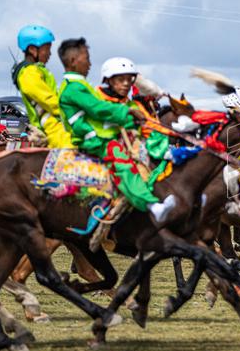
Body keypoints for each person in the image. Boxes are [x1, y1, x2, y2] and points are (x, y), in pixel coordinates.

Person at [56, 39, 175, 222]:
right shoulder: (74, 88)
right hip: (95, 139)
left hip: (107, 136)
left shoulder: (83, 87)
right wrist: (127, 112)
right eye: (86, 58)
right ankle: (151, 205)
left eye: (129, 79)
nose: (89, 63)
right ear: (73, 61)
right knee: (123, 164)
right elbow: (98, 109)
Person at [11, 25, 74, 148]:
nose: (49, 54)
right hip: (51, 128)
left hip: (59, 124)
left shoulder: (38, 70)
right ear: (33, 50)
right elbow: (49, 102)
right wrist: (75, 111)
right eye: (47, 49)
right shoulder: (28, 73)